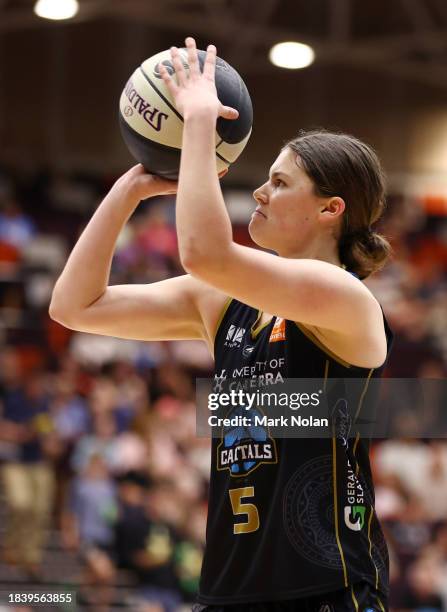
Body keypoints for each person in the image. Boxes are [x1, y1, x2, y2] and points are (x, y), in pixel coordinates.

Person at [50, 37, 393, 612]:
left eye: (281, 183)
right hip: (227, 593)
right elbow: (74, 306)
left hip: (325, 591)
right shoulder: (222, 303)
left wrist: (201, 123)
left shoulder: (346, 299)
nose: (258, 191)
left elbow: (205, 252)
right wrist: (131, 186)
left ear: (330, 209)